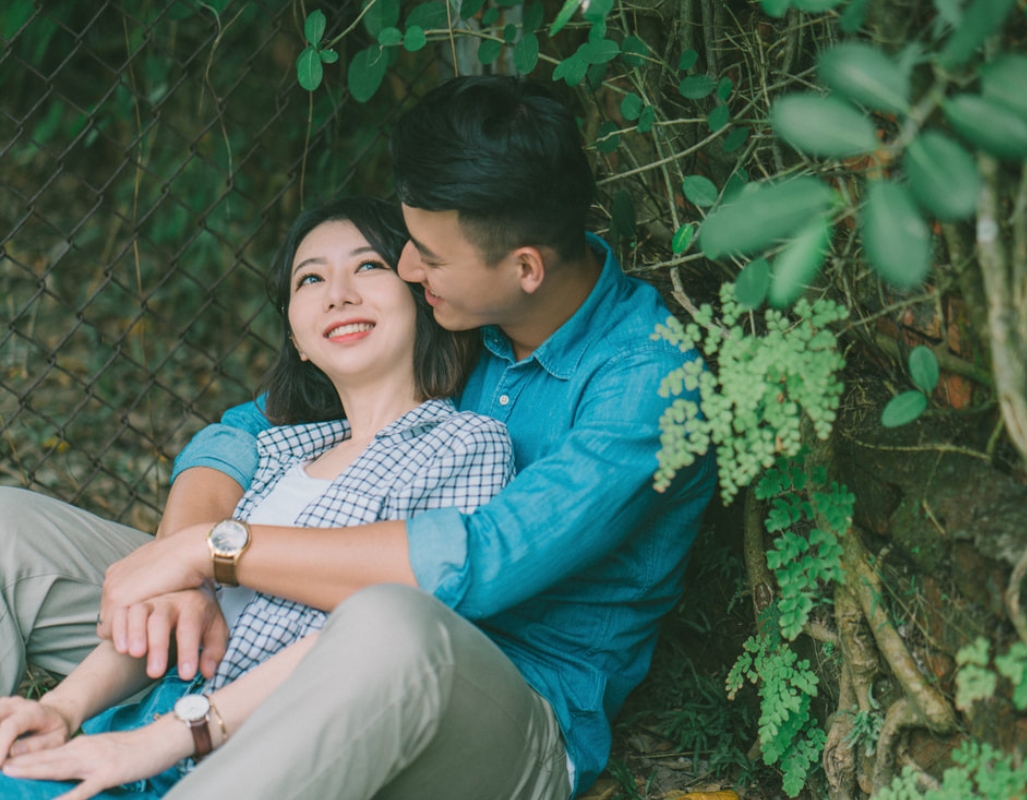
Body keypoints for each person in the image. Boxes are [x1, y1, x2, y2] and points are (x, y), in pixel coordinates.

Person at [0, 76, 716, 800]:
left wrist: (216, 554)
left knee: (389, 622)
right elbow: (244, 432)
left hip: (484, 701)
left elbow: (477, 564)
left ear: (524, 268)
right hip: (259, 640)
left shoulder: (645, 386)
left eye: (427, 259)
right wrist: (181, 568)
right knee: (7, 528)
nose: (409, 271)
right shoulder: (468, 308)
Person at [0, 196, 514, 799]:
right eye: (311, 278)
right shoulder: (277, 453)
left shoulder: (464, 443)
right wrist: (63, 709)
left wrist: (172, 734)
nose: (338, 293)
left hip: (258, 757)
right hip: (141, 736)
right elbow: (171, 615)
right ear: (297, 338)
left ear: (424, 298)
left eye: (369, 267)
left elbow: (390, 636)